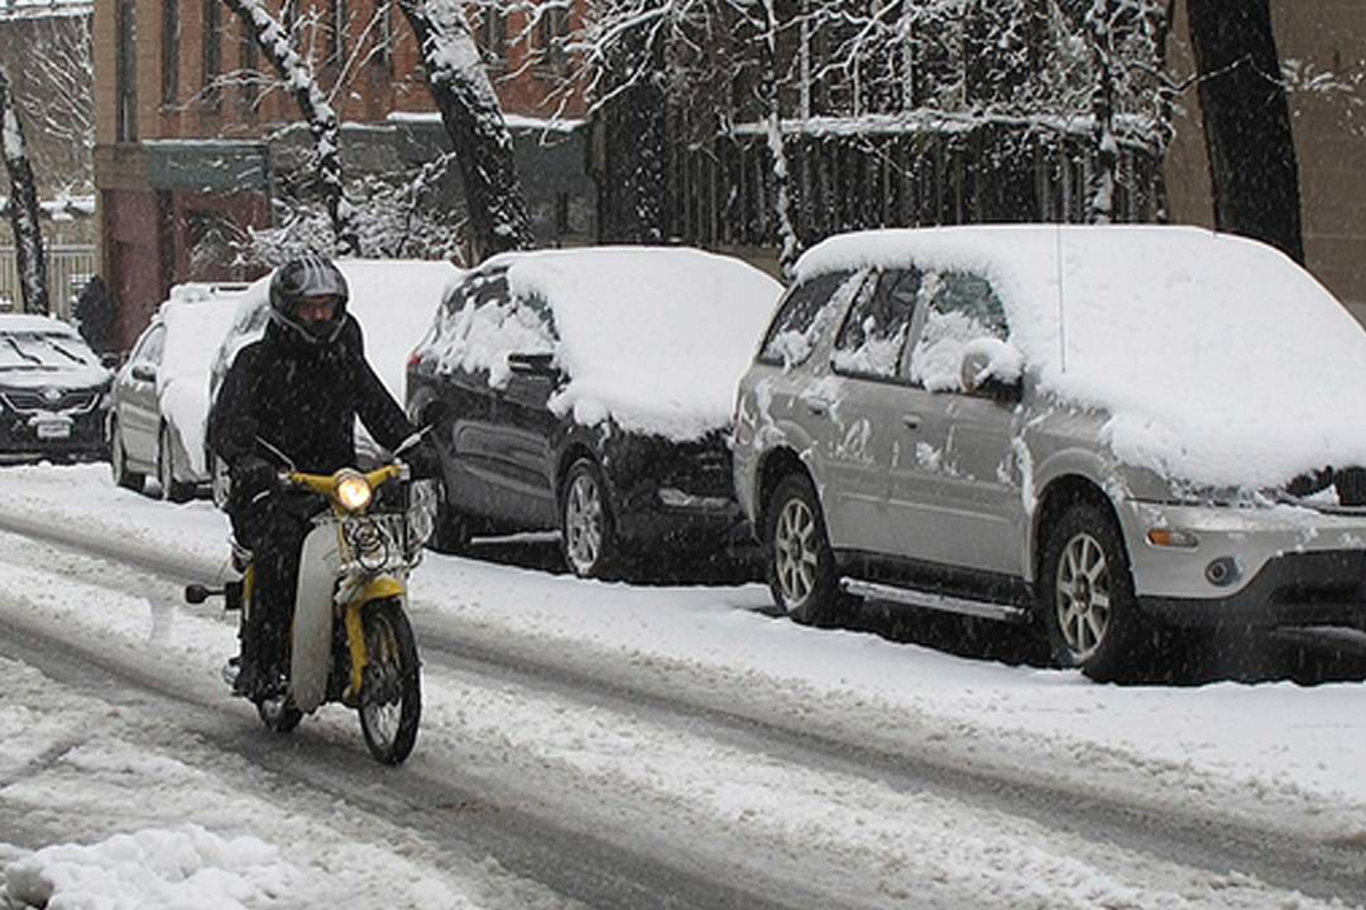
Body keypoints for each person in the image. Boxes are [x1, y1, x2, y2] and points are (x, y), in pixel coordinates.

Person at [207, 256, 438, 699]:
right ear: (287, 309)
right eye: (309, 307)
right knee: (280, 555)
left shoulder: (343, 356)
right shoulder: (255, 361)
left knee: (376, 544)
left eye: (328, 306)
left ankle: (369, 638)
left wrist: (412, 446)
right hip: (275, 488)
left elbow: (377, 407)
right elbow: (229, 425)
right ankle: (264, 663)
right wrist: (248, 462)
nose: (319, 316)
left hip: (338, 484)